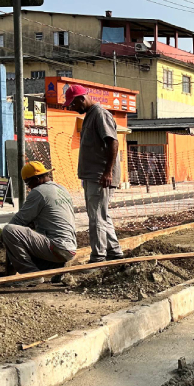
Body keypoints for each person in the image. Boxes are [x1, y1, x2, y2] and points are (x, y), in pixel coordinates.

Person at [64, 84, 124, 263]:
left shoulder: (99, 114)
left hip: (100, 176)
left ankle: (98, 256)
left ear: (82, 98)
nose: (72, 107)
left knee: (96, 217)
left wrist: (107, 172)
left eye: (73, 104)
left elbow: (113, 142)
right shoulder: (90, 116)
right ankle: (114, 252)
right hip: (93, 176)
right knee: (102, 215)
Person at [0, 161, 77, 282]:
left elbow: (17, 222)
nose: (29, 187)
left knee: (9, 231)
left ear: (36, 179)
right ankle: (57, 268)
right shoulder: (61, 189)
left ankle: (31, 275)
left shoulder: (38, 192)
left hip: (57, 247)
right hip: (69, 249)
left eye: (28, 183)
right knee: (27, 234)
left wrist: (1, 238)